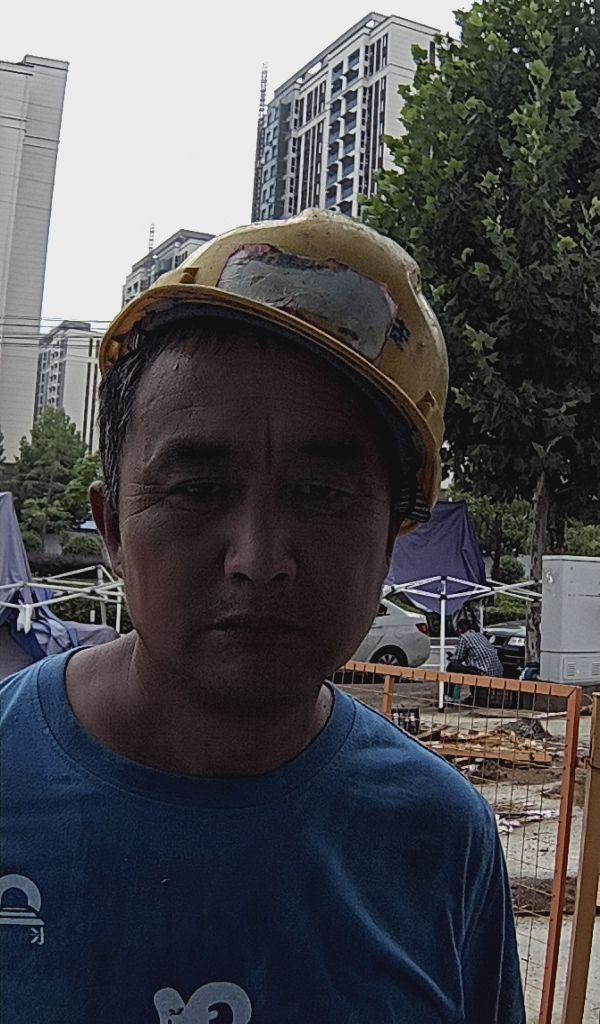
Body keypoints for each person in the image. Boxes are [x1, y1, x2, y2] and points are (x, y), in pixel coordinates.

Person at [0, 210, 525, 1023]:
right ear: (111, 528)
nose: (258, 556)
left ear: (393, 538)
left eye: (321, 493)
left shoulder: (440, 841)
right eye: (198, 489)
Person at [447, 621, 504, 705]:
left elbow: (457, 659)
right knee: (470, 668)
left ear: (459, 630)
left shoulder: (464, 637)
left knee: (452, 666)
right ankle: (474, 696)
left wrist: (451, 657)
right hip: (497, 671)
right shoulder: (480, 635)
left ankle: (449, 695)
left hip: (483, 672)